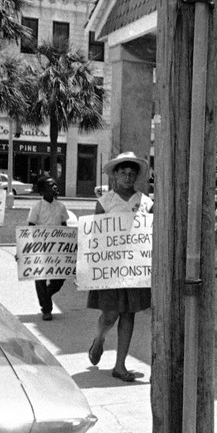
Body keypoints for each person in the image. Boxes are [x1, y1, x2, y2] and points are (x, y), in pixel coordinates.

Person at [87, 152, 154, 382]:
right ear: (115, 174)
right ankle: (99, 339)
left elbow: (151, 233)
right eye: (123, 172)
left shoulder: (145, 203)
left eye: (131, 173)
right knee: (110, 314)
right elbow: (94, 236)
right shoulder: (105, 202)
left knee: (129, 314)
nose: (128, 176)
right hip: (111, 268)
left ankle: (120, 365)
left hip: (134, 269)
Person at [27, 175, 68, 321]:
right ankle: (46, 308)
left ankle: (47, 294)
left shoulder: (61, 207)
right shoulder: (37, 208)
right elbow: (30, 229)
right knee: (40, 278)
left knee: (60, 278)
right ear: (43, 190)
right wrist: (26, 251)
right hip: (41, 248)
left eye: (56, 184)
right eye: (51, 185)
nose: (55, 187)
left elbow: (65, 228)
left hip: (57, 249)